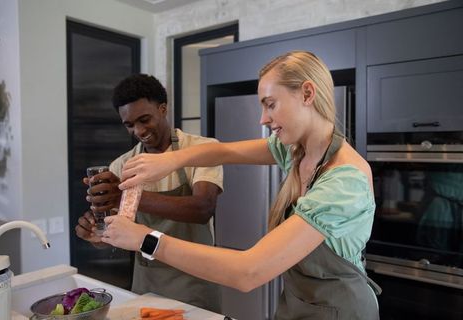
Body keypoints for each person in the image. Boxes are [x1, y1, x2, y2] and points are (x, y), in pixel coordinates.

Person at [101, 51, 381, 319]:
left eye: (270, 104)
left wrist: (144, 239)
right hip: (299, 304)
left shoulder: (343, 182)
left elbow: (248, 272)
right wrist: (171, 160)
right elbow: (226, 152)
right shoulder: (296, 151)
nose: (263, 118)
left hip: (340, 311)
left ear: (307, 94)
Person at [75, 74, 223, 312]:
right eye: (129, 125)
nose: (138, 131)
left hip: (195, 278)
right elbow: (115, 228)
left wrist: (128, 197)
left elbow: (202, 208)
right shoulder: (122, 166)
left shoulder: (202, 149)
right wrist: (96, 235)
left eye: (144, 120)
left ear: (163, 109)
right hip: (147, 280)